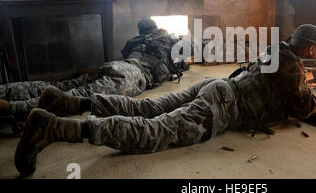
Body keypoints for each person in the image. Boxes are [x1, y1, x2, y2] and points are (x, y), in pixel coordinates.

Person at [14, 24, 316, 175]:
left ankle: (70, 103)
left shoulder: (277, 49)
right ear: (312, 49)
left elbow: (286, 78)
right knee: (155, 131)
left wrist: (312, 73)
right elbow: (305, 105)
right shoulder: (294, 70)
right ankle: (55, 128)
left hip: (216, 86)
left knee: (147, 106)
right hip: (224, 106)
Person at [0, 17, 181, 124]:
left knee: (61, 85)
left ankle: (7, 90)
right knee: (77, 96)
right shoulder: (166, 37)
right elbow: (185, 50)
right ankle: (16, 108)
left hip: (113, 65)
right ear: (156, 27)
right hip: (134, 74)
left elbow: (125, 52)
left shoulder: (134, 40)